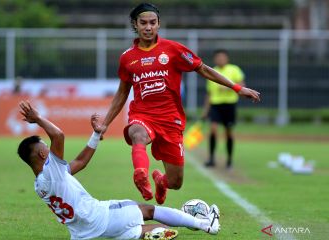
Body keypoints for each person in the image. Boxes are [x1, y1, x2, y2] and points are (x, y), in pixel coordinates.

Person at [99, 2, 260, 205]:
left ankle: (160, 180)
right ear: (135, 24)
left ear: (158, 24)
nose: (148, 27)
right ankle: (140, 174)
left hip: (170, 120)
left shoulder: (173, 50)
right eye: (143, 23)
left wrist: (237, 88)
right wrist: (105, 123)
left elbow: (204, 69)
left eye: (152, 22)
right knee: (137, 133)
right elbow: (122, 93)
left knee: (175, 182)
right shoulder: (127, 58)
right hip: (143, 115)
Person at [17, 101, 220, 240]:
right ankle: (206, 225)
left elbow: (80, 161)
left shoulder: (42, 183)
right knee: (148, 210)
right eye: (44, 146)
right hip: (99, 216)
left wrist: (96, 135)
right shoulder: (52, 170)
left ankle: (150, 233)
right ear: (43, 154)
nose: (48, 148)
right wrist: (38, 118)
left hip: (83, 232)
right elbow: (59, 135)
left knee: (154, 230)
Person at [202, 49, 245, 169]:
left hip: (229, 105)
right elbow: (209, 93)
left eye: (223, 57)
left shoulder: (234, 69)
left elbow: (242, 85)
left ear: (227, 58)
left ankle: (229, 160)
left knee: (228, 132)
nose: (220, 59)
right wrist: (206, 110)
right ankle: (211, 158)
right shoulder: (212, 71)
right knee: (213, 130)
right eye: (218, 57)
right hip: (216, 105)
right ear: (215, 59)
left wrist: (229, 87)